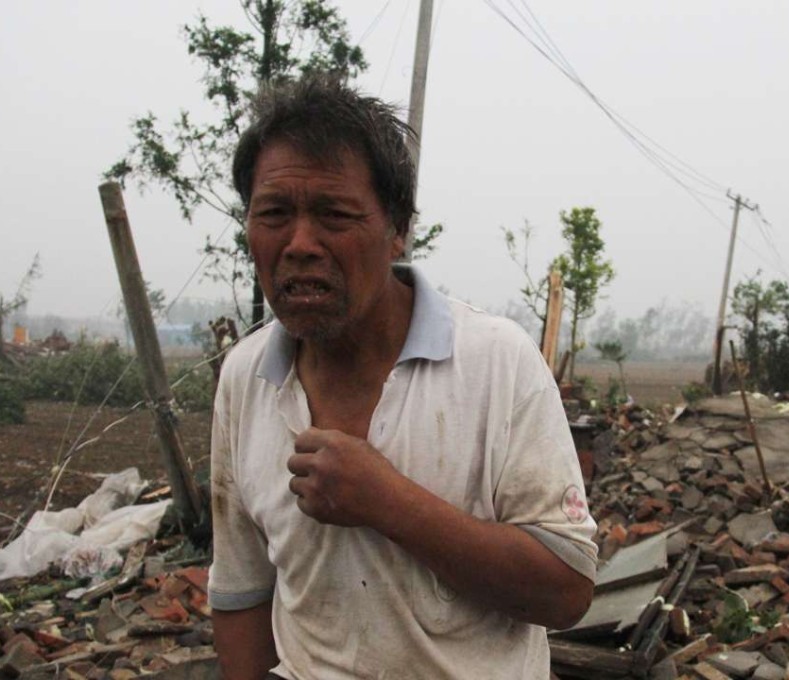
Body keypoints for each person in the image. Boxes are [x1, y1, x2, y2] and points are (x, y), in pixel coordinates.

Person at [208, 74, 597, 680]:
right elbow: (240, 591)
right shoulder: (245, 377)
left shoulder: (497, 362)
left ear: (398, 230)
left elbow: (566, 591)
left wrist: (388, 502)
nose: (300, 243)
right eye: (274, 214)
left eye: (334, 215)